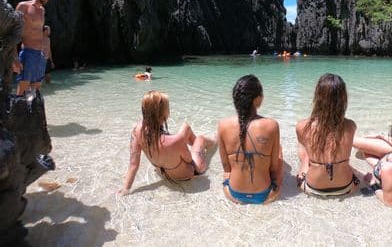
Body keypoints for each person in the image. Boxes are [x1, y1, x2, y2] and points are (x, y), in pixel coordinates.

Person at [118, 90, 216, 195]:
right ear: (164, 114)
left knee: (185, 128)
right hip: (189, 174)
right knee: (200, 139)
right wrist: (183, 146)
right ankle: (215, 139)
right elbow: (189, 161)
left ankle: (196, 145)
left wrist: (126, 189)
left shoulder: (137, 131)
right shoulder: (175, 141)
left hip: (163, 173)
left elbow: (133, 165)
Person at [218, 75, 283, 204]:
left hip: (233, 192)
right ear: (257, 99)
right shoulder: (272, 125)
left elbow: (226, 167)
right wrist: (275, 186)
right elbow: (274, 169)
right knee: (280, 153)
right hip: (265, 193)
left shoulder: (223, 125)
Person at [296, 73, 359, 197]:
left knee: (304, 149)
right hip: (346, 187)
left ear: (317, 97)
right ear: (343, 98)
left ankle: (304, 171)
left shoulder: (302, 126)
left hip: (313, 188)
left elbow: (305, 150)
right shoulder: (351, 126)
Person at [11, 0, 54, 95]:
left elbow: (38, 32)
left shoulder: (42, 11)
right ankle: (17, 112)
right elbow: (13, 31)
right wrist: (14, 57)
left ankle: (30, 113)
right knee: (23, 89)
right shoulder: (23, 6)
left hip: (40, 55)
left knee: (35, 91)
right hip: (28, 52)